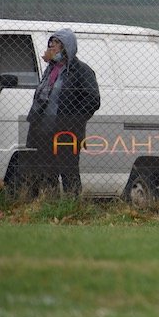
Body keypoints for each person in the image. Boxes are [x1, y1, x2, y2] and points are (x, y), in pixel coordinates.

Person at [24, 28, 100, 195]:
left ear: (67, 47)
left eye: (57, 43)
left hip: (67, 132)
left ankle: (73, 207)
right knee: (46, 172)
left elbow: (93, 100)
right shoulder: (51, 69)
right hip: (43, 131)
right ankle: (49, 206)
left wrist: (73, 120)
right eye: (51, 42)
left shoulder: (81, 71)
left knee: (68, 171)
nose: (52, 46)